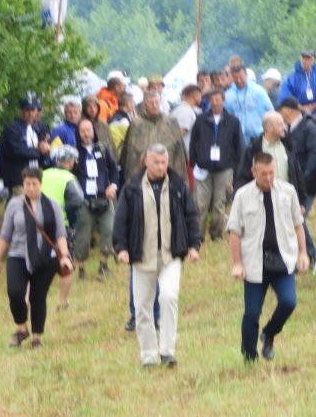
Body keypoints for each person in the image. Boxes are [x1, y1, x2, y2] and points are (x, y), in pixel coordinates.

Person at [114, 145, 201, 368]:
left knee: (169, 297)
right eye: (156, 162)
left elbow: (191, 215)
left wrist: (194, 245)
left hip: (171, 254)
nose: (161, 167)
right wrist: (121, 248)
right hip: (142, 256)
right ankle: (149, 355)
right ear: (145, 161)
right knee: (142, 307)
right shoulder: (132, 187)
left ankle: (167, 351)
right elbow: (121, 219)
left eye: (164, 162)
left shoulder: (178, 185)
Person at [227, 152, 308, 363]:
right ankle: (249, 356)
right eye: (264, 174)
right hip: (255, 263)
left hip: (283, 260)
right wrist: (237, 263)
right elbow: (234, 232)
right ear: (254, 172)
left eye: (272, 173)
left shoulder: (288, 191)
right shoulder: (242, 196)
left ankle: (269, 333)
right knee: (252, 314)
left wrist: (303, 253)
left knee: (289, 302)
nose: (269, 178)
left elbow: (298, 225)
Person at [0, 167, 71, 349]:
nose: (30, 187)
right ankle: (21, 328)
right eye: (27, 183)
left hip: (45, 258)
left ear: (41, 184)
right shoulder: (14, 204)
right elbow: (5, 235)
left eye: (34, 184)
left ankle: (37, 337)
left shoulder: (52, 205)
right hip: (18, 255)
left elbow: (60, 234)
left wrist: (64, 256)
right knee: (15, 293)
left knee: (38, 296)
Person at [189, 89, 244, 243]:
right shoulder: (200, 120)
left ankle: (216, 233)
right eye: (212, 100)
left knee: (219, 203)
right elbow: (194, 142)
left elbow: (239, 145)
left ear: (223, 100)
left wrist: (236, 168)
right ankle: (198, 235)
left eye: (218, 99)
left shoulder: (233, 121)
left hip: (224, 168)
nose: (215, 102)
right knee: (200, 203)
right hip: (203, 167)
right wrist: (194, 162)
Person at [73, 117, 120, 277]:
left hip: (105, 198)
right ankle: (80, 268)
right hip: (84, 200)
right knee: (83, 235)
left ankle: (103, 266)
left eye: (89, 130)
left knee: (109, 230)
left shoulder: (102, 148)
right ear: (78, 133)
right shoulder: (74, 153)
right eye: (83, 131)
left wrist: (112, 186)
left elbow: (114, 170)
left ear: (93, 132)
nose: (86, 134)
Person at [42, 146, 86, 308]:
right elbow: (78, 201)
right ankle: (62, 301)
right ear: (69, 162)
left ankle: (29, 299)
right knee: (65, 263)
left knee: (35, 264)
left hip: (38, 225)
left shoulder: (42, 174)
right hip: (62, 226)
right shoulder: (68, 178)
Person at [119, 87, 188, 182]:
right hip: (142, 173)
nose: (154, 105)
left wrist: (180, 178)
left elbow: (179, 151)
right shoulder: (136, 124)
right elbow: (129, 154)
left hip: (167, 171)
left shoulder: (171, 122)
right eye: (151, 103)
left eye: (156, 102)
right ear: (144, 104)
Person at [280, 99, 316, 222]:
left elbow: (315, 158)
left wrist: (302, 182)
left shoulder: (310, 128)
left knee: (297, 220)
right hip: (292, 183)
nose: (279, 114)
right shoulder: (286, 129)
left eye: (280, 110)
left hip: (306, 186)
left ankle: (307, 242)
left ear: (288, 110)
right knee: (296, 221)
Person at [0, 95, 50, 195]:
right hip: (19, 178)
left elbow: (45, 147)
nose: (30, 114)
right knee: (21, 206)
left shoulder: (39, 128)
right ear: (21, 111)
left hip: (37, 174)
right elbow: (17, 150)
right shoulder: (12, 128)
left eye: (33, 110)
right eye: (27, 110)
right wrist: (39, 150)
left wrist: (46, 149)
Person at [225, 62, 276, 142]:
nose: (238, 80)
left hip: (258, 136)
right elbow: (226, 116)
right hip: (238, 138)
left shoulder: (258, 91)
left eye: (241, 77)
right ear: (232, 77)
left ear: (246, 75)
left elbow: (271, 112)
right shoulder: (228, 95)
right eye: (235, 78)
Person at [281, 50, 316, 116]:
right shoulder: (291, 78)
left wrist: (311, 108)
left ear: (313, 60)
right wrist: (301, 108)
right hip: (297, 111)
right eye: (303, 57)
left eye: (308, 58)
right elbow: (285, 96)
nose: (305, 60)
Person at [170, 84, 202, 157]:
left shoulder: (183, 109)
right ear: (195, 96)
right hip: (183, 154)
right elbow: (180, 132)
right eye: (200, 96)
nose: (201, 98)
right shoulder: (186, 111)